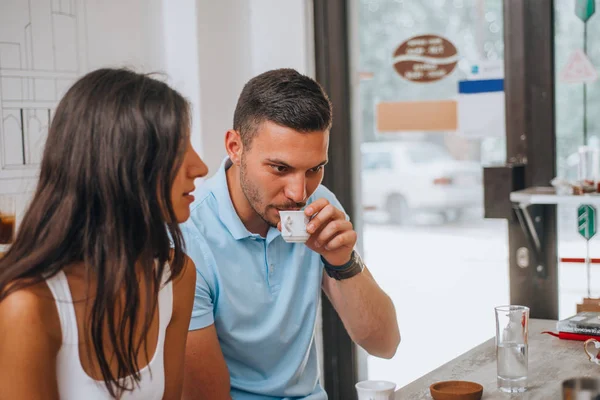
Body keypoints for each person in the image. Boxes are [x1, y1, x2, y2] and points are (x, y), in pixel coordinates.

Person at [182, 68, 400, 399]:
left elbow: (384, 344)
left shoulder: (320, 204)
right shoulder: (189, 235)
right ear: (235, 147)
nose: (299, 193)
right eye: (280, 169)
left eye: (314, 169)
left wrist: (342, 262)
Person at [0, 68, 208, 399]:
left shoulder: (176, 276)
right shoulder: (29, 307)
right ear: (121, 163)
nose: (200, 167)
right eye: (178, 147)